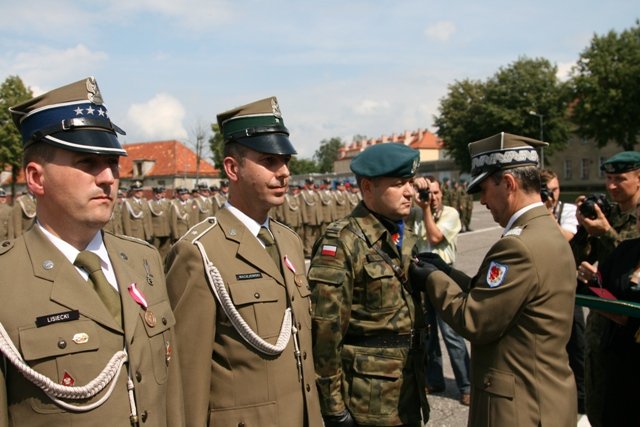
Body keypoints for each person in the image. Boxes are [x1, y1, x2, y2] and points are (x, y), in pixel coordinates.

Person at [1, 77, 184, 425]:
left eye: (112, 162)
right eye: (87, 163)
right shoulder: (6, 281)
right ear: (36, 179)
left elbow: (171, 396)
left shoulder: (144, 261)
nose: (108, 178)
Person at [165, 96, 322, 427]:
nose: (284, 173)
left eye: (285, 161)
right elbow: (187, 377)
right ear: (233, 168)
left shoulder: (289, 242)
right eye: (269, 161)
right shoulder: (199, 252)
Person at [412, 132, 577, 426]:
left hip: (519, 407)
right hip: (543, 396)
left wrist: (432, 280)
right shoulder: (544, 231)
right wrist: (450, 273)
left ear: (509, 184)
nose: (483, 201)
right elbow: (499, 296)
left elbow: (476, 319)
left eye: (485, 189)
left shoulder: (518, 245)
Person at [309, 142, 430, 427]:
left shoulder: (406, 237)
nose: (409, 192)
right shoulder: (342, 241)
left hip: (407, 387)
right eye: (399, 184)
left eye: (410, 182)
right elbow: (326, 330)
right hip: (367, 399)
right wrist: (333, 408)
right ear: (367, 187)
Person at [570, 151, 640, 427]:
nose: (611, 186)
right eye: (608, 179)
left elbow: (627, 273)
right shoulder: (607, 213)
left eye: (620, 179)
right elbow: (577, 261)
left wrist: (606, 234)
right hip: (600, 325)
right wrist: (584, 229)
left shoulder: (634, 222)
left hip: (628, 335)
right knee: (598, 403)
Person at [408, 175, 471, 406]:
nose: (431, 197)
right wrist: (414, 186)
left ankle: (467, 385)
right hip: (422, 278)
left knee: (452, 334)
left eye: (435, 193)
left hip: (444, 276)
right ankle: (435, 380)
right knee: (428, 335)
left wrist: (424, 209)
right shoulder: (416, 211)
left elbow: (435, 237)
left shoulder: (451, 214)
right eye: (428, 193)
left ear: (442, 193)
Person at [539, 167, 585, 413]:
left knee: (577, 346)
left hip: (570, 289)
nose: (552, 195)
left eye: (555, 190)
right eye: (547, 191)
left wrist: (547, 213)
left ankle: (582, 401)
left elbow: (564, 239)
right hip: (545, 291)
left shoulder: (568, 211)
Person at [148, 186, 172, 259]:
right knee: (155, 251)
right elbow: (148, 219)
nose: (158, 195)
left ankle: (162, 267)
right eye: (156, 193)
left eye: (160, 193)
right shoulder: (150, 204)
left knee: (165, 251)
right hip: (156, 232)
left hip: (166, 231)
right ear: (153, 194)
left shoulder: (166, 203)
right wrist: (150, 231)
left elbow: (170, 217)